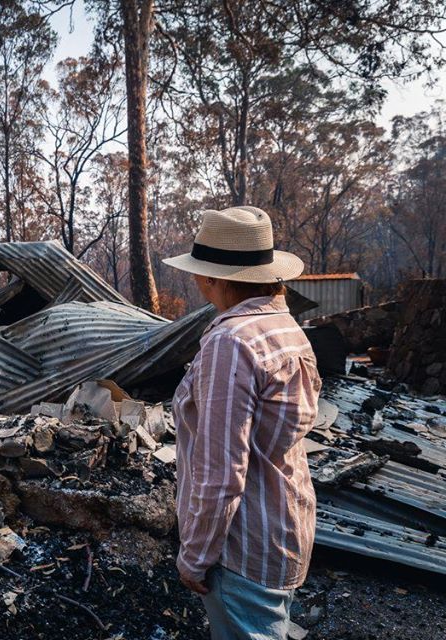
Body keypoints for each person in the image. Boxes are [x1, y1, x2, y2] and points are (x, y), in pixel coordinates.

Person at [162, 206, 321, 640]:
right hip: (286, 523)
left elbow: (221, 472)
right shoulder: (285, 327)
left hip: (243, 545)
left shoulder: (230, 343)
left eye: (199, 271)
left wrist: (194, 555)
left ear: (214, 278)